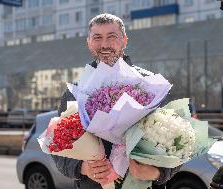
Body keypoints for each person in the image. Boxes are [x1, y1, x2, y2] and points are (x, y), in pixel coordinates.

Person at [52, 13, 180, 189]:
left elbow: (179, 142)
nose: (104, 44)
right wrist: (82, 168)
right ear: (89, 42)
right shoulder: (75, 92)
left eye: (111, 36)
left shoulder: (151, 86)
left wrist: (157, 173)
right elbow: (58, 146)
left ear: (124, 40)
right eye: (97, 37)